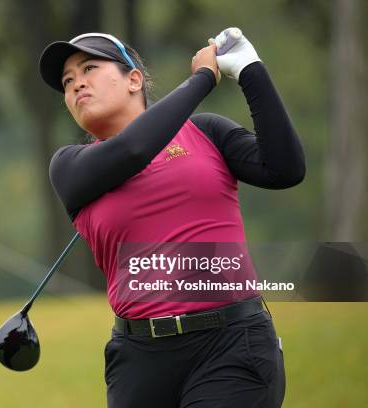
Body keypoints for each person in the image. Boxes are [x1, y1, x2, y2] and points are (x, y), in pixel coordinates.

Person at [38, 29, 305, 408]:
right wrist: (201, 79)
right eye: (67, 81)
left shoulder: (206, 132)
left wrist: (250, 69)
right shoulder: (69, 167)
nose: (77, 82)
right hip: (138, 361)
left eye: (90, 68)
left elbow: (285, 169)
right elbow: (134, 150)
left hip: (230, 344)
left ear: (134, 79)